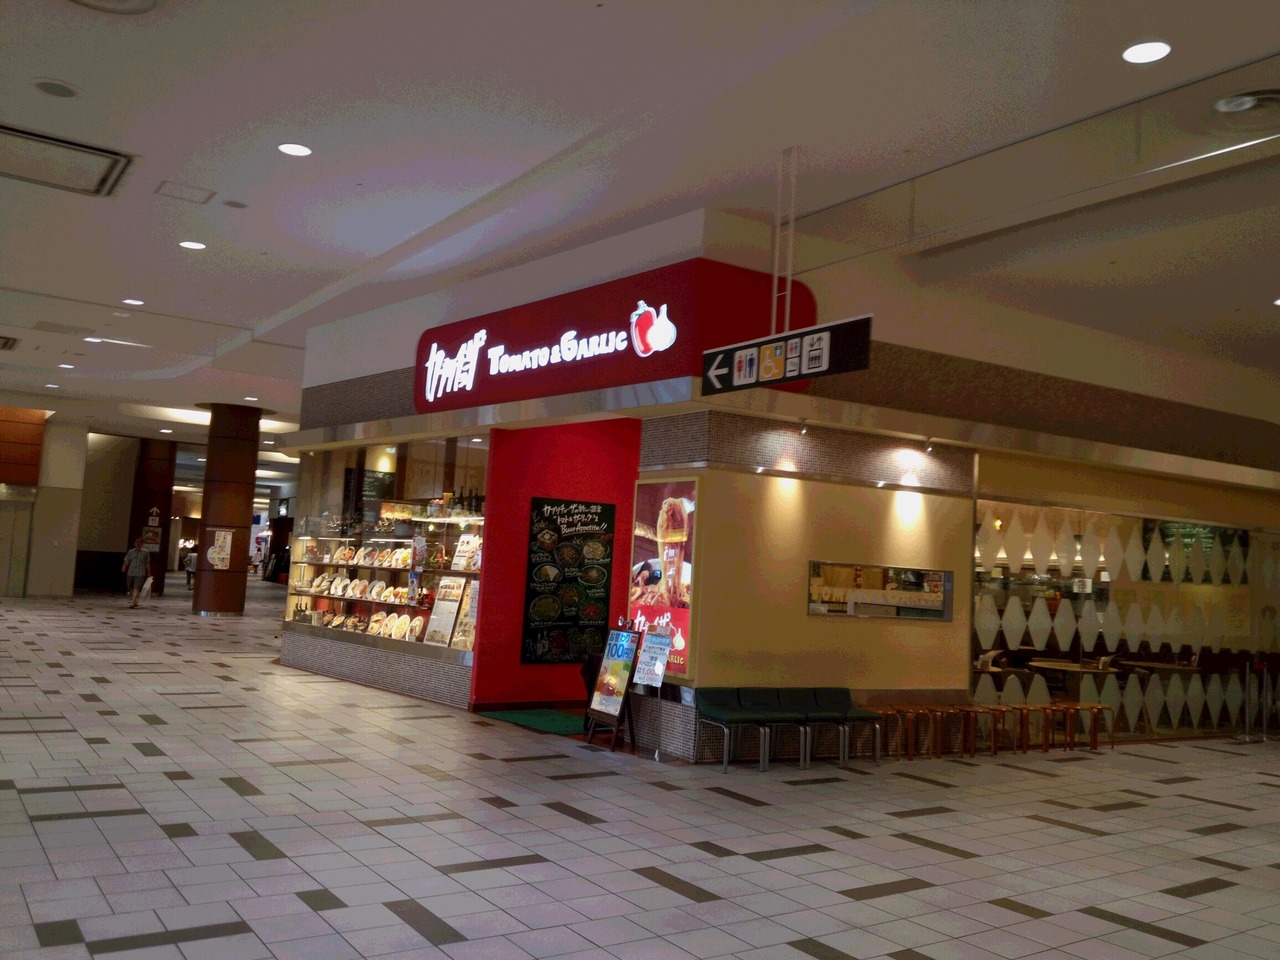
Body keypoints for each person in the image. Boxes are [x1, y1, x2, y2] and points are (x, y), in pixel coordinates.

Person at [121, 537, 151, 608]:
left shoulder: (145, 552)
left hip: (140, 572)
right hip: (131, 572)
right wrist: (124, 567)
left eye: (140, 543)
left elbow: (147, 563)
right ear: (134, 544)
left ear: (142, 544)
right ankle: (135, 601)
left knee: (136, 587)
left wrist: (149, 572)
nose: (138, 544)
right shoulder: (130, 552)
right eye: (136, 543)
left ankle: (132, 603)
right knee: (131, 587)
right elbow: (127, 560)